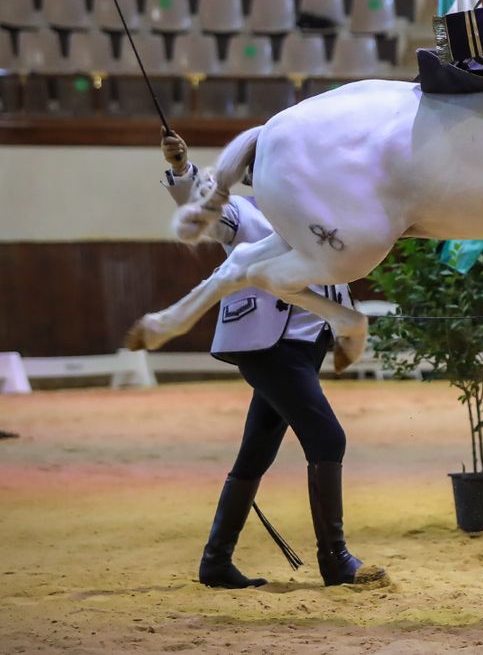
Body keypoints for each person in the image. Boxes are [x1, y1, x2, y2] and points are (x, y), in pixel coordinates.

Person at [159, 132, 383, 590]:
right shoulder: (247, 213)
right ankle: (335, 560)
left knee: (255, 453)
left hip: (304, 350)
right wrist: (183, 169)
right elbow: (205, 209)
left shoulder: (316, 218)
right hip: (267, 348)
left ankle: (216, 562)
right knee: (328, 438)